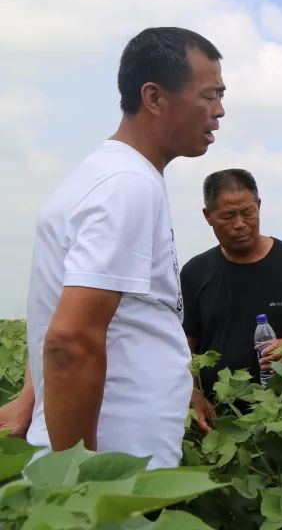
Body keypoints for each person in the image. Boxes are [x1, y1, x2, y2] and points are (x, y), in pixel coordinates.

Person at [10, 27, 225, 469]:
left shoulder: (115, 175)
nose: (219, 112)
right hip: (110, 466)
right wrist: (82, 484)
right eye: (209, 96)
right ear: (154, 97)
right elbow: (71, 339)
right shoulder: (127, 186)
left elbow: (102, 319)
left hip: (116, 454)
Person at [181, 169, 282, 431]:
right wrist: (193, 393)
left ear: (259, 206)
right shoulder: (195, 273)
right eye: (227, 216)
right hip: (220, 420)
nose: (240, 223)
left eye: (247, 212)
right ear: (208, 216)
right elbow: (185, 344)